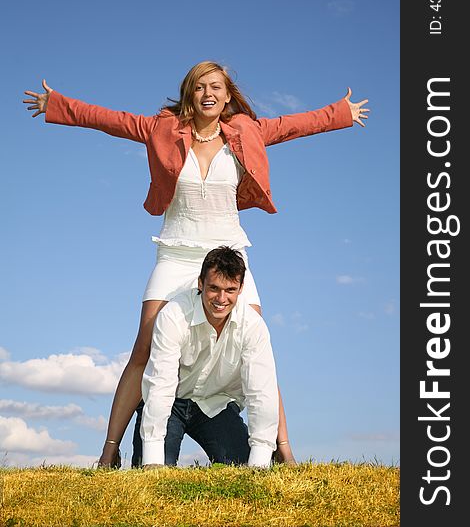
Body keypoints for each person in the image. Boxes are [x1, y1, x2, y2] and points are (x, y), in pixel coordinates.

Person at [23, 61, 369, 468]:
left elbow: (295, 125)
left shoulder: (246, 131)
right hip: (177, 250)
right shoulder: (163, 129)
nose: (209, 93)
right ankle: (109, 449)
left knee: (257, 347)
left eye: (216, 86)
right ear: (190, 92)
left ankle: (283, 450)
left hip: (227, 253)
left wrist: (341, 113)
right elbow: (111, 120)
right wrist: (57, 105)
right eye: (200, 86)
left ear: (227, 94)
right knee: (145, 346)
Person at [141, 246, 278, 468]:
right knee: (154, 469)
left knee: (244, 465)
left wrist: (260, 461)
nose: (221, 298)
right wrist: (152, 460)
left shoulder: (253, 326)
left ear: (241, 288)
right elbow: (161, 384)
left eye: (230, 290)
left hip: (216, 404)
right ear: (200, 283)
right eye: (214, 288)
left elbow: (262, 392)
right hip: (171, 403)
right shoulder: (173, 315)